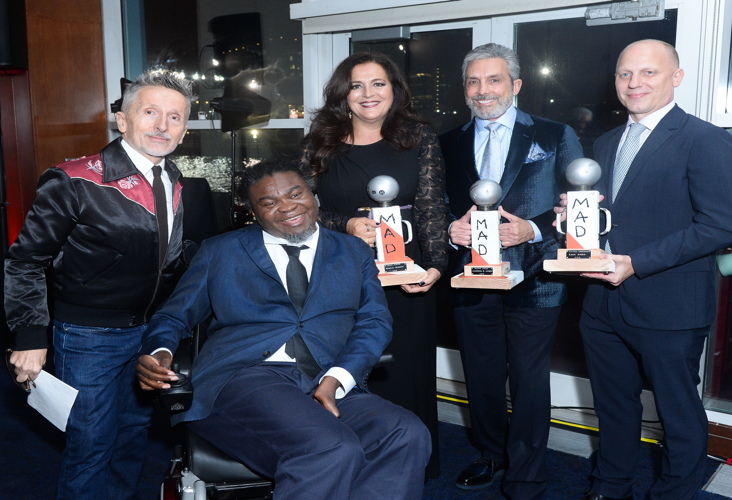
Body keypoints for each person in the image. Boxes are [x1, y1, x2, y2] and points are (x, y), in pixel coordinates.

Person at [135, 160, 431, 500]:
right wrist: (159, 352)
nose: (287, 207)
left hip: (327, 376)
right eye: (269, 202)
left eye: (295, 194)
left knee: (406, 432)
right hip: (246, 376)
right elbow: (173, 316)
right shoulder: (220, 251)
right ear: (253, 213)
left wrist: (338, 378)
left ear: (314, 196)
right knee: (329, 448)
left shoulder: (354, 251)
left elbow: (374, 322)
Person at [569, 39, 732, 500]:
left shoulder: (706, 139)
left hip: (670, 306)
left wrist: (638, 263)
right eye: (625, 73)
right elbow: (614, 215)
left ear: (676, 77)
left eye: (648, 72)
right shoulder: (606, 143)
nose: (634, 82)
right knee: (612, 405)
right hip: (602, 303)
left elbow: (726, 223)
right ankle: (610, 486)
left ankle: (674, 494)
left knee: (677, 413)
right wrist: (573, 222)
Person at [4, 70, 195, 499]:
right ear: (122, 121)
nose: (162, 125)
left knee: (132, 437)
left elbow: (165, 257)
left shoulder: (173, 177)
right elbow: (25, 261)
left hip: (148, 332)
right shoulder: (74, 178)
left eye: (175, 117)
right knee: (90, 445)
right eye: (150, 112)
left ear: (184, 132)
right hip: (88, 335)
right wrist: (30, 335)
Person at [440, 43, 583, 498]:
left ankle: (525, 473)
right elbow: (437, 207)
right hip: (471, 278)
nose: (483, 90)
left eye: (494, 79)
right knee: (480, 375)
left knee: (528, 379)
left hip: (537, 279)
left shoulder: (555, 135)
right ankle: (491, 455)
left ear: (515, 85)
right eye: (473, 81)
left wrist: (533, 230)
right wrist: (449, 231)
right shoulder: (446, 142)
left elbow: (575, 208)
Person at [296, 51, 448, 478]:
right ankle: (346, 464)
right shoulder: (319, 142)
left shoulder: (419, 137)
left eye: (378, 83)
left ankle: (410, 468)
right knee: (351, 368)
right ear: (342, 94)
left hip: (407, 278)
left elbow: (432, 207)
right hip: (341, 278)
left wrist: (436, 266)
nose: (368, 94)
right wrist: (344, 224)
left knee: (406, 370)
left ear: (394, 90)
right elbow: (298, 210)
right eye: (357, 85)